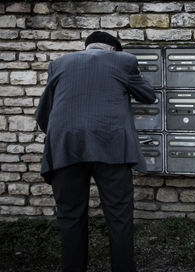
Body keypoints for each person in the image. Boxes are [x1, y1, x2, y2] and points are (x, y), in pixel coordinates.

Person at [35, 31, 155, 272]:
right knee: (119, 216)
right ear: (112, 49)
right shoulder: (125, 61)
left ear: (88, 47)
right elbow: (148, 96)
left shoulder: (58, 64)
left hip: (65, 147)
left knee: (70, 216)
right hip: (111, 147)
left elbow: (43, 114)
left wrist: (65, 134)